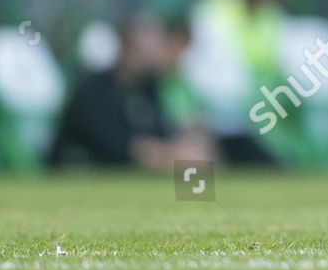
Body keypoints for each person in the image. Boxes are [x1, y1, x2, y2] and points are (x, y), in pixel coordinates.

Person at [49, 11, 212, 170]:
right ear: (128, 46)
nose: (160, 51)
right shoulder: (95, 90)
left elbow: (161, 137)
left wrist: (179, 151)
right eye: (154, 42)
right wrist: (170, 154)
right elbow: (120, 149)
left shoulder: (150, 88)